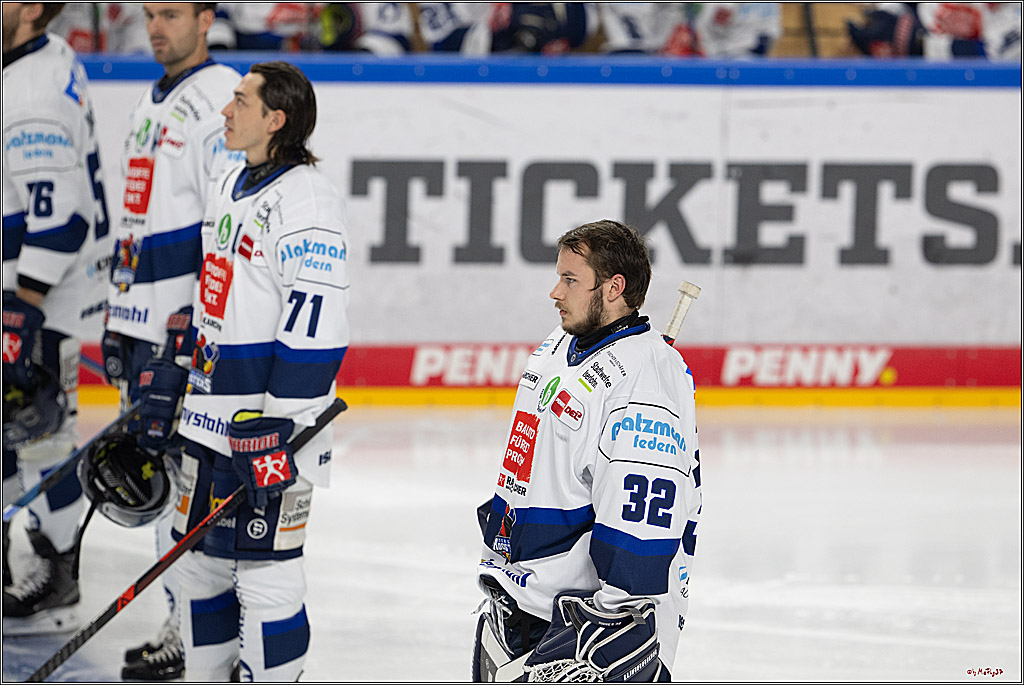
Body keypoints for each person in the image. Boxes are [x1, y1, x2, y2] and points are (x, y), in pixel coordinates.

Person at [162, 60, 349, 681]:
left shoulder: (308, 201)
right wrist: (177, 368)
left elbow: (317, 327)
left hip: (267, 428)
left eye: (240, 101)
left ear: (276, 119)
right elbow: (215, 298)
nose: (225, 111)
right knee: (195, 565)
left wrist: (283, 426)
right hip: (208, 419)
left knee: (267, 572)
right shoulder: (229, 179)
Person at [473, 220, 702, 682]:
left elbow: (640, 516)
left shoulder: (646, 379)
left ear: (614, 287)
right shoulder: (560, 344)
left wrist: (613, 620)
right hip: (519, 601)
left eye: (570, 280)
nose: (554, 292)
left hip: (580, 630)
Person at [101, 2, 242, 679]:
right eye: (150, 13)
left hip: (178, 330)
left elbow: (222, 220)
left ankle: (193, 624)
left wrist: (189, 322)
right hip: (143, 319)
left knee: (185, 483)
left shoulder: (220, 97)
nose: (157, 26)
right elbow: (137, 215)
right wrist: (119, 309)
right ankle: (179, 616)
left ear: (206, 18)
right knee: (162, 478)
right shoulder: (150, 99)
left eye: (172, 14)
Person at [2, 2, 111, 635]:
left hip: (37, 297)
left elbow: (62, 219)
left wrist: (23, 311)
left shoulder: (32, 92)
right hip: (44, 293)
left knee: (39, 439)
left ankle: (58, 565)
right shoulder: (40, 58)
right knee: (29, 440)